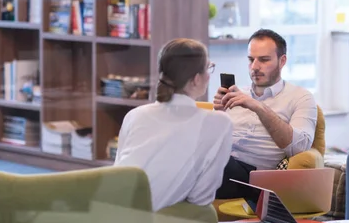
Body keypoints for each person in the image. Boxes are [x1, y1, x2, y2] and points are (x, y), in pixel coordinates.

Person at [114, 38, 233, 211]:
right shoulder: (219, 123)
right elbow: (200, 198)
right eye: (208, 68)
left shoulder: (135, 115)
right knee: (206, 214)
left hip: (108, 209)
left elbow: (117, 172)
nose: (209, 75)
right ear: (195, 79)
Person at [213, 29, 318, 199]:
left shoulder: (301, 97)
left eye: (263, 60)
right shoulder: (236, 94)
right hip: (223, 164)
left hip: (253, 179)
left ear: (282, 61)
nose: (254, 67)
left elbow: (300, 147)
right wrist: (218, 115)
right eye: (250, 60)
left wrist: (258, 107)